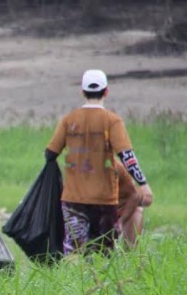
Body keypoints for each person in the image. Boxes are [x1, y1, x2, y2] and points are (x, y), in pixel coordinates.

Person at [45, 69, 153, 256]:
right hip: (104, 200)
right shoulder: (112, 121)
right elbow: (126, 155)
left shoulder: (68, 120)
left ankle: (74, 284)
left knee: (74, 251)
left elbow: (50, 154)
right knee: (103, 253)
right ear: (106, 92)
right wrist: (143, 183)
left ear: (82, 92)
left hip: (73, 199)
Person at [116, 159, 149, 247]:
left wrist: (121, 220)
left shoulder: (115, 166)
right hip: (98, 211)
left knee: (137, 211)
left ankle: (130, 252)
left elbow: (134, 195)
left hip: (124, 209)